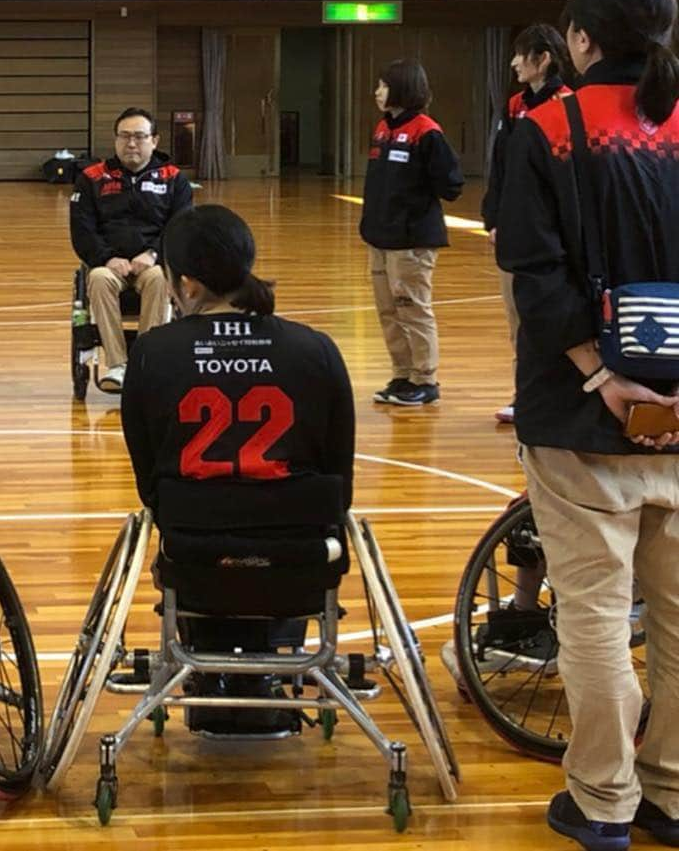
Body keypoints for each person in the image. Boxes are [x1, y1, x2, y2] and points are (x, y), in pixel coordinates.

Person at [497, 0, 679, 851]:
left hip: (582, 418)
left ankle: (604, 800)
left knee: (598, 613)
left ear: (580, 37)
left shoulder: (545, 129)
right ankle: (673, 794)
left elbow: (536, 274)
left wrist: (601, 375)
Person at [121, 203, 355, 733]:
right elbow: (340, 481)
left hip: (194, 558)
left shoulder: (154, 352)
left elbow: (148, 480)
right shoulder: (315, 349)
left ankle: (210, 655)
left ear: (185, 284)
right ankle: (275, 655)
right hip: (299, 565)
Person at [482, 25, 573, 423]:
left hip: (553, 236)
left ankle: (559, 397)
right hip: (513, 230)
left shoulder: (569, 106)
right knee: (517, 318)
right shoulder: (515, 105)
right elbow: (500, 167)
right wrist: (495, 219)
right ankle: (526, 395)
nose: (514, 62)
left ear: (544, 59)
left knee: (551, 316)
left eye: (522, 54)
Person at [361, 59, 464, 407]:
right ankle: (402, 374)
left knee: (413, 308)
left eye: (383, 85)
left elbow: (451, 185)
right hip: (380, 237)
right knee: (388, 311)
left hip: (411, 241)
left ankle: (426, 378)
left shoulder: (427, 132)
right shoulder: (382, 129)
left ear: (403, 88)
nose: (377, 91)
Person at [70, 107, 192, 393]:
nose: (132, 143)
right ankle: (118, 366)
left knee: (162, 279)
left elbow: (181, 226)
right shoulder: (92, 178)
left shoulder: (174, 179)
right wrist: (108, 258)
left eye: (139, 136)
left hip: (152, 266)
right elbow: (82, 231)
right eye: (124, 136)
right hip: (108, 266)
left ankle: (146, 364)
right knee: (98, 279)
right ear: (115, 140)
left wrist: (152, 255)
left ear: (155, 140)